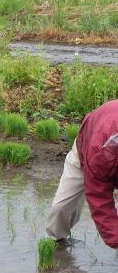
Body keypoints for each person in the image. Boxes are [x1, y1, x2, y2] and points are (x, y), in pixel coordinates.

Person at [46, 100, 118, 249]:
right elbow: (99, 196)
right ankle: (57, 243)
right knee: (61, 208)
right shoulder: (100, 151)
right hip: (88, 149)